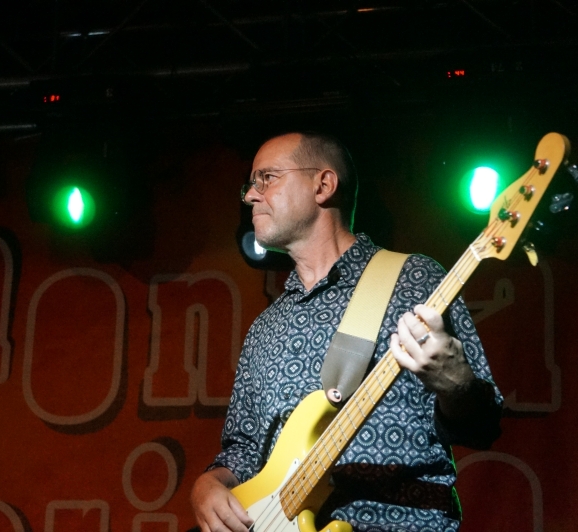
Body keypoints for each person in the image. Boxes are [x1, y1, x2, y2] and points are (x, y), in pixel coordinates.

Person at [189, 131, 503, 532]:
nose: (251, 195)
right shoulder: (265, 328)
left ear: (323, 185)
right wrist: (209, 484)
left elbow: (482, 427)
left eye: (266, 178)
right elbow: (245, 450)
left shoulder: (412, 280)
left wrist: (455, 384)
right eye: (250, 184)